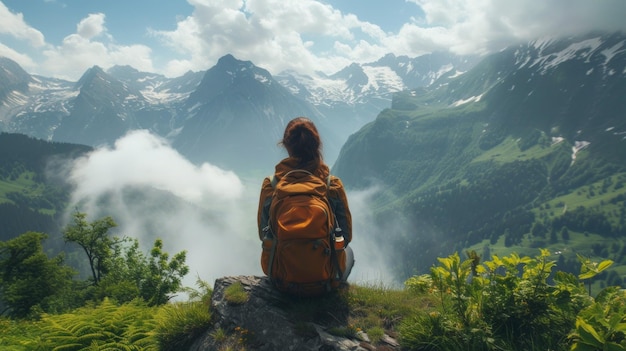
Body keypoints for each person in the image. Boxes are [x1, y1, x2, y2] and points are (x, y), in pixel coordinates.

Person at [257, 116, 354, 288]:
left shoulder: (271, 186)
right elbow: (346, 236)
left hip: (282, 281)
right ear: (317, 145)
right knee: (349, 252)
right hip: (325, 281)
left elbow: (263, 234)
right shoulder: (332, 185)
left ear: (286, 146)